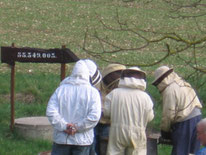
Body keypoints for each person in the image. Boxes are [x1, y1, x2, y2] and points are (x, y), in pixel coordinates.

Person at [46, 59, 102, 155]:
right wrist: (77, 127)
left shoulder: (60, 90)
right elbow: (94, 116)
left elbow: (51, 112)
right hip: (83, 140)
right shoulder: (92, 92)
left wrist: (65, 126)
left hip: (61, 139)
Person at [103, 67, 154, 155]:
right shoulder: (145, 97)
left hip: (117, 132)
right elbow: (150, 117)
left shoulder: (114, 93)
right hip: (138, 133)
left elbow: (106, 113)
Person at [152, 66, 202, 155]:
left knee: (180, 152)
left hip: (185, 122)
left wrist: (165, 131)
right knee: (193, 152)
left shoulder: (169, 90)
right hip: (198, 119)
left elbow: (168, 114)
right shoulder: (183, 83)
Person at [94, 64, 126, 155]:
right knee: (93, 146)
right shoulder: (97, 87)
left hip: (109, 123)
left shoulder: (121, 89)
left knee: (105, 147)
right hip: (95, 122)